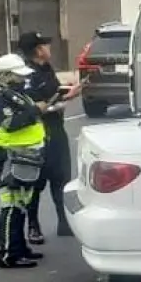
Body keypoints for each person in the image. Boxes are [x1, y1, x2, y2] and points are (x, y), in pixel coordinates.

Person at [0, 53, 48, 269]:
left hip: (22, 154)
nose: (22, 79)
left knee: (21, 203)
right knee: (11, 204)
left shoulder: (11, 93)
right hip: (8, 155)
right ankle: (9, 254)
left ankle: (20, 249)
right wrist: (35, 110)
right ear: (6, 75)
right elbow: (10, 123)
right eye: (18, 76)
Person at [18, 31, 82, 244]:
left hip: (56, 131)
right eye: (46, 44)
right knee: (35, 182)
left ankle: (64, 222)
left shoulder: (46, 69)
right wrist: (63, 99)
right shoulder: (26, 75)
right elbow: (33, 107)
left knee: (61, 178)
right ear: (38, 50)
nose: (49, 48)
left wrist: (69, 92)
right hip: (37, 135)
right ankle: (33, 226)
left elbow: (52, 93)